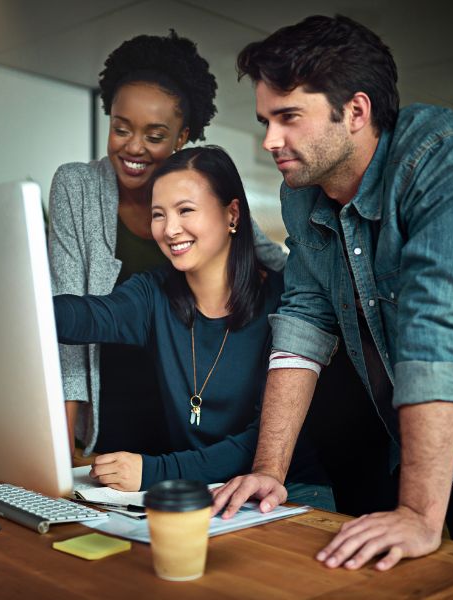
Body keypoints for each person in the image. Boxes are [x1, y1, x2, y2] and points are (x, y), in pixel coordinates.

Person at [210, 14, 453, 598]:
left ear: (355, 112)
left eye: (288, 118)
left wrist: (417, 511)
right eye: (265, 120)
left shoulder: (447, 156)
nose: (268, 141)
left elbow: (434, 332)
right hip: (421, 426)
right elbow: (304, 324)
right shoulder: (300, 195)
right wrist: (268, 471)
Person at [48, 31, 286, 461]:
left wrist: (298, 294)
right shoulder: (83, 193)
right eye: (121, 129)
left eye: (155, 135)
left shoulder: (209, 198)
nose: (134, 146)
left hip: (187, 418)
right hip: (117, 399)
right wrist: (63, 459)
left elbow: (264, 253)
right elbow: (71, 318)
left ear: (181, 137)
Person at [54, 146, 331, 508]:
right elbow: (83, 317)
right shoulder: (151, 294)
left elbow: (260, 440)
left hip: (289, 494)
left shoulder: (286, 302)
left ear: (232, 214)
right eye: (158, 214)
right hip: (203, 493)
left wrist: (153, 471)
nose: (169, 229)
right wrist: (14, 300)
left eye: (185, 210)